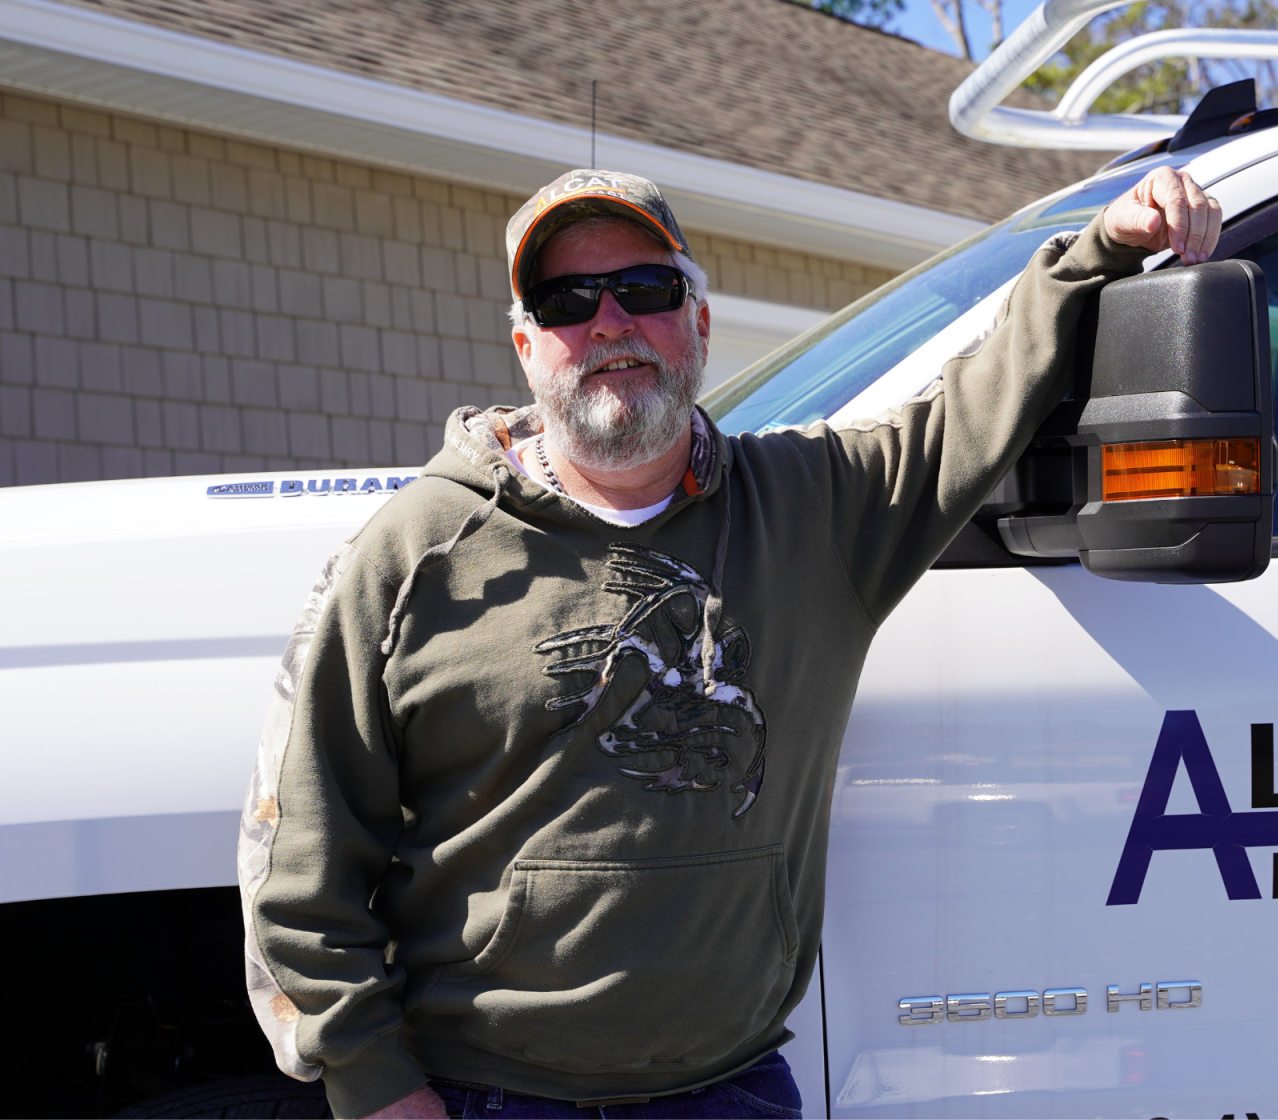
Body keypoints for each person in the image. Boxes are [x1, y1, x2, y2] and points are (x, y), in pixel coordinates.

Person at [239, 164, 1222, 1120]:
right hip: (486, 1093)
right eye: (568, 299)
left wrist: (1100, 249)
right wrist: (372, 1083)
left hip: (733, 1089)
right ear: (526, 345)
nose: (611, 322)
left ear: (699, 322)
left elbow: (980, 396)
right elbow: (300, 849)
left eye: (646, 288)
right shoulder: (413, 552)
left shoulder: (818, 508)